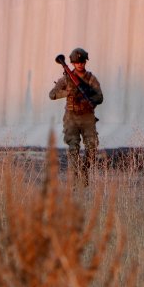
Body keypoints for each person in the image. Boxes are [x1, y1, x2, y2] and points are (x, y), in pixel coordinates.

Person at [49, 48, 103, 185]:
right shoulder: (66, 79)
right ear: (72, 63)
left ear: (85, 62)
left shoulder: (91, 79)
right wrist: (68, 92)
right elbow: (52, 94)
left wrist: (89, 98)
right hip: (71, 118)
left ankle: (84, 170)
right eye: (77, 62)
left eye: (82, 62)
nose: (80, 64)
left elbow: (100, 97)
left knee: (92, 148)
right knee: (73, 149)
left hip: (87, 117)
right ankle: (74, 182)